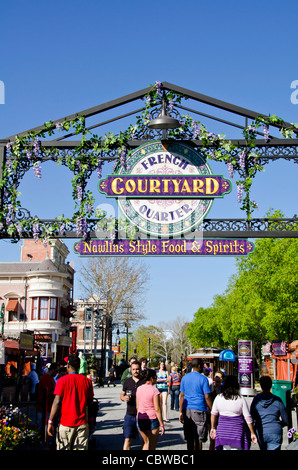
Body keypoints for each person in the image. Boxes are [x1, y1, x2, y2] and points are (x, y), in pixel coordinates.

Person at [47, 352, 94, 451]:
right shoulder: (87, 381)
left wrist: (50, 421)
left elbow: (56, 401)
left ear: (68, 366)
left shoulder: (62, 381)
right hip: (82, 424)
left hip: (66, 424)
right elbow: (90, 402)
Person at [210, 375, 257, 450]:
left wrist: (213, 427)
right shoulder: (240, 399)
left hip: (223, 432)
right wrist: (252, 432)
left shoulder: (218, 397)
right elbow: (248, 418)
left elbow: (213, 414)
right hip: (237, 433)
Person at [179, 358, 212, 451]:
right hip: (199, 409)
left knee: (189, 438)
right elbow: (207, 396)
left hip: (187, 409)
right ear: (199, 366)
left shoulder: (185, 378)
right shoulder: (203, 379)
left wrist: (181, 411)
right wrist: (212, 409)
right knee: (198, 438)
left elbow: (182, 396)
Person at [250, 375, 288, 450]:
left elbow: (251, 417)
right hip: (275, 431)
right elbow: (286, 420)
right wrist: (278, 424)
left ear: (260, 385)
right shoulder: (277, 400)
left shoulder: (256, 400)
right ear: (271, 385)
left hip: (261, 431)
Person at [136, 368, 165, 450]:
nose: (156, 379)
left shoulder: (139, 389)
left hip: (141, 419)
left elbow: (137, 406)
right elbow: (157, 409)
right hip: (152, 419)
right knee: (152, 446)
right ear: (151, 378)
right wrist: (161, 424)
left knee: (145, 442)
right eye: (155, 377)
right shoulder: (154, 390)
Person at [120, 361, 145, 450]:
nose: (135, 371)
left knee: (144, 440)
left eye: (137, 369)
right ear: (131, 370)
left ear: (140, 369)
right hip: (129, 414)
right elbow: (122, 394)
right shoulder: (127, 381)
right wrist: (123, 398)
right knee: (127, 439)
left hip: (142, 415)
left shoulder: (144, 381)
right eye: (133, 369)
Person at [37, 362, 58, 436]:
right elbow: (48, 392)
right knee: (44, 427)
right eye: (56, 371)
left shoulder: (51, 378)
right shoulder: (46, 378)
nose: (56, 374)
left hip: (49, 406)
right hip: (44, 407)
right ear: (52, 370)